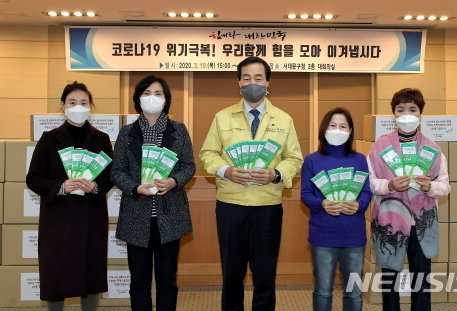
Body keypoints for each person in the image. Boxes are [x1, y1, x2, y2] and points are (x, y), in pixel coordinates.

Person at [199, 56, 304, 311]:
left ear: (268, 82)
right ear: (238, 83)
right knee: (231, 275)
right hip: (231, 206)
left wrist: (276, 174)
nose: (252, 83)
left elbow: (294, 158)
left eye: (258, 78)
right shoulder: (222, 117)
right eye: (246, 78)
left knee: (265, 275)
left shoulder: (284, 119)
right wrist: (226, 170)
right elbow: (207, 154)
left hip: (267, 206)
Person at [26, 82, 114, 311]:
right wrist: (61, 186)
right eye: (73, 102)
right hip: (57, 218)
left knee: (90, 272)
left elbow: (111, 178)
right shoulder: (49, 138)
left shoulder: (102, 139)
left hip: (90, 217)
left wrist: (94, 186)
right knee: (56, 273)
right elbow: (33, 178)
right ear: (63, 105)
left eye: (83, 103)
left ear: (90, 107)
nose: (78, 107)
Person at [110, 75, 195, 311]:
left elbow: (189, 165)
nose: (152, 98)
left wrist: (174, 181)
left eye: (158, 94)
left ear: (166, 100)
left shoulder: (178, 130)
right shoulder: (127, 133)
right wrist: (134, 187)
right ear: (138, 98)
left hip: (170, 214)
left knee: (167, 280)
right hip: (136, 214)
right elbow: (117, 171)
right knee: (139, 281)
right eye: (146, 93)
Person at [366, 88, 450, 311]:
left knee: (421, 280)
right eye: (400, 109)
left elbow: (445, 186)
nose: (406, 115)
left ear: (421, 113)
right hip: (390, 222)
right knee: (390, 281)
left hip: (422, 223)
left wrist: (430, 186)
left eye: (412, 109)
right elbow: (370, 181)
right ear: (393, 113)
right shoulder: (379, 146)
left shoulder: (433, 148)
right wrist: (388, 185)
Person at [301, 107, 372, 311]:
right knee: (323, 290)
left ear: (350, 131)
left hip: (353, 235)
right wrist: (321, 204)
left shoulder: (359, 159)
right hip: (322, 235)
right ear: (324, 129)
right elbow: (305, 194)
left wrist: (359, 205)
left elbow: (366, 192)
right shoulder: (312, 160)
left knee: (354, 291)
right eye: (333, 125)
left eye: (343, 126)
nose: (337, 130)